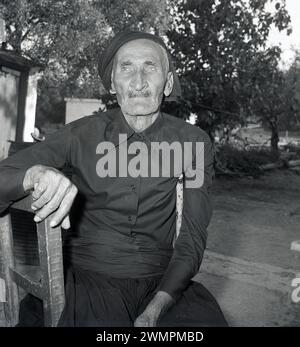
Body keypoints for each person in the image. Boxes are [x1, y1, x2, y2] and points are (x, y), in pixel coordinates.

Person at [0, 31, 227, 327]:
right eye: (126, 67)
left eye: (150, 67)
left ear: (167, 82)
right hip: (86, 282)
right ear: (111, 84)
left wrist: (156, 308)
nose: (139, 81)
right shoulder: (81, 134)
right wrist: (35, 174)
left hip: (162, 286)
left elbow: (192, 239)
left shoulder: (193, 143)